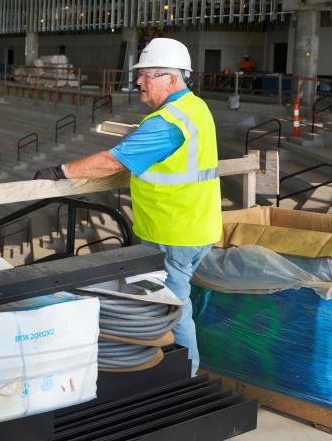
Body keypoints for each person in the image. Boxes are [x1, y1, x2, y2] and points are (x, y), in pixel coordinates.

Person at [34, 38, 220, 376]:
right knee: (172, 302)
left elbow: (111, 162)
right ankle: (175, 371)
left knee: (173, 309)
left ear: (172, 79)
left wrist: (60, 172)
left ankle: (186, 376)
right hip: (197, 227)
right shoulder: (196, 108)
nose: (139, 82)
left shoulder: (167, 122)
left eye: (148, 75)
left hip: (173, 232)